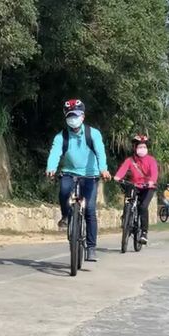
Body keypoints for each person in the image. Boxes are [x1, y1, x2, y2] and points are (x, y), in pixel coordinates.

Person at [46, 99, 111, 262]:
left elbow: (100, 152)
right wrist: (51, 167)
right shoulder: (62, 136)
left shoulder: (93, 133)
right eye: (69, 115)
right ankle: (66, 216)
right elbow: (55, 153)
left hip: (91, 175)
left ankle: (91, 247)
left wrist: (103, 168)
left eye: (75, 115)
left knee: (89, 209)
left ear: (82, 116)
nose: (72, 119)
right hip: (69, 172)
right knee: (63, 191)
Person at [113, 134, 159, 244]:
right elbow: (123, 169)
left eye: (144, 147)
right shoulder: (130, 160)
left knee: (143, 207)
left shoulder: (151, 160)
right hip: (134, 186)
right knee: (128, 201)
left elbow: (154, 173)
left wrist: (151, 181)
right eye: (139, 147)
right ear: (134, 148)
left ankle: (144, 232)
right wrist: (117, 177)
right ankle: (126, 219)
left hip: (148, 187)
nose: (142, 149)